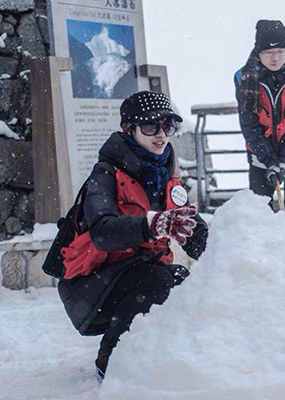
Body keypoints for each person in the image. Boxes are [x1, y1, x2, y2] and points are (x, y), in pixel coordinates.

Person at [56, 91, 209, 381]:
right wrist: (152, 224)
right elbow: (102, 232)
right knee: (158, 279)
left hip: (134, 274)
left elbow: (193, 232)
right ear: (129, 129)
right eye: (150, 127)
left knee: (184, 281)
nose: (161, 135)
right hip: (87, 288)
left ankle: (164, 354)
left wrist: (229, 256)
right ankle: (111, 361)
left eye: (168, 126)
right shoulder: (105, 175)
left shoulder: (166, 179)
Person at [234, 19, 285, 222]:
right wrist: (270, 161)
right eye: (268, 53)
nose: (275, 58)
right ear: (258, 53)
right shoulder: (244, 77)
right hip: (260, 156)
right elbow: (249, 124)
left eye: (280, 51)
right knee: (260, 216)